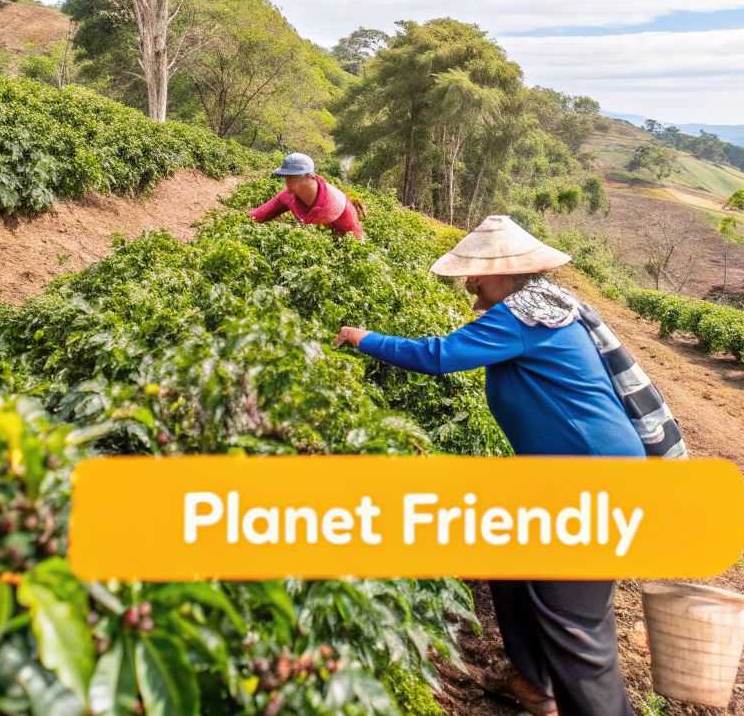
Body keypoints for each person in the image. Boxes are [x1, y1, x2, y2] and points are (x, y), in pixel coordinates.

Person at [334, 215, 639, 716]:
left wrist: (363, 337)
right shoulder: (542, 309)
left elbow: (437, 356)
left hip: (591, 482)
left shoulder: (521, 317)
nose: (470, 280)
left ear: (511, 272)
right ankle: (532, 683)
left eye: (479, 271)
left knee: (576, 627)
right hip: (565, 473)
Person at [250, 152, 364, 240]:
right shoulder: (288, 195)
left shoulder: (340, 208)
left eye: (292, 176)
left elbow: (357, 244)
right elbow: (259, 214)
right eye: (285, 176)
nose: (287, 181)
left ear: (309, 176)